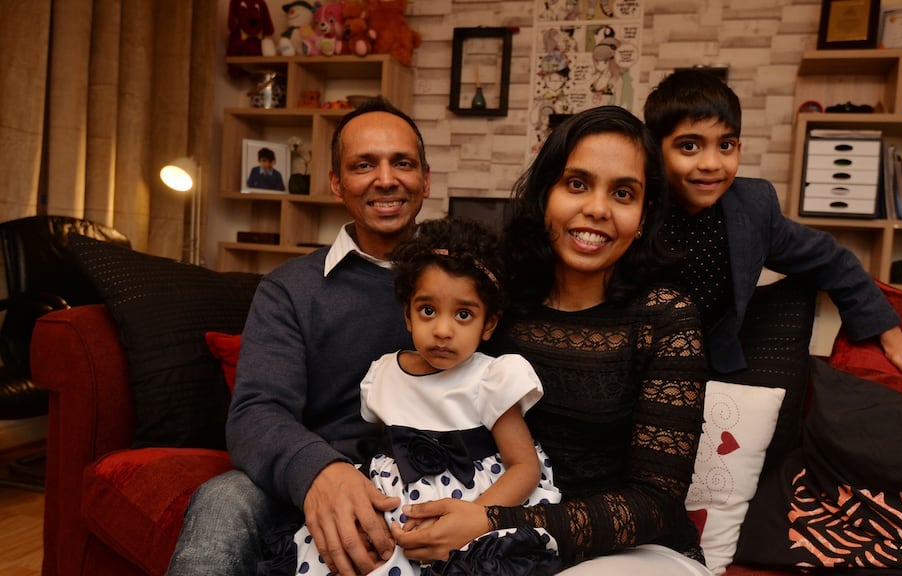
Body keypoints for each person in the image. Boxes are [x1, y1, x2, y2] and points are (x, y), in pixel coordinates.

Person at [391, 105, 713, 575]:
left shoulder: (666, 318)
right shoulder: (496, 305)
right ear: (545, 196)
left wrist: (492, 521)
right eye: (577, 184)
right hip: (495, 540)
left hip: (631, 553)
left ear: (643, 216)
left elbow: (656, 503)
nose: (597, 209)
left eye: (623, 193)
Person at [166, 97, 430, 576]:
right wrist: (320, 471)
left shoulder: (466, 283)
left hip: (433, 475)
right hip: (313, 471)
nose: (386, 179)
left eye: (403, 163)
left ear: (425, 180)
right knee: (223, 497)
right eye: (363, 165)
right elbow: (256, 412)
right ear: (336, 183)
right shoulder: (291, 287)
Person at [643, 67, 902, 377]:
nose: (712, 163)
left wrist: (892, 335)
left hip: (712, 361)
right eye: (689, 146)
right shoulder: (635, 207)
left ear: (739, 148)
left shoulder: (753, 208)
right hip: (633, 357)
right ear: (655, 152)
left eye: (725, 145)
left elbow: (832, 259)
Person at [290, 217, 561, 576]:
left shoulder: (492, 377)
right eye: (428, 311)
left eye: (464, 314)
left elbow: (525, 467)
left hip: (475, 510)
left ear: (489, 324)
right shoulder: (383, 374)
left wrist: (477, 517)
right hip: (396, 515)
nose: (443, 330)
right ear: (407, 315)